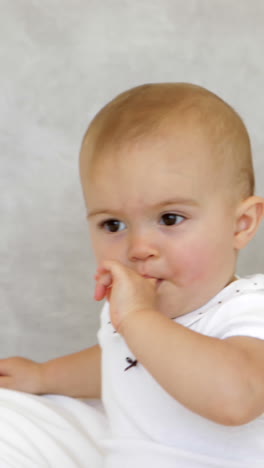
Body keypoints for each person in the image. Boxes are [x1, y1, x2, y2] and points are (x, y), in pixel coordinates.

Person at [0, 82, 264, 467]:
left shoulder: (248, 308)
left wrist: (139, 320)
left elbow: (237, 399)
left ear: (240, 224)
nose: (139, 247)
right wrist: (44, 376)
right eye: (112, 225)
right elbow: (119, 364)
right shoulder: (129, 314)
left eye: (170, 219)